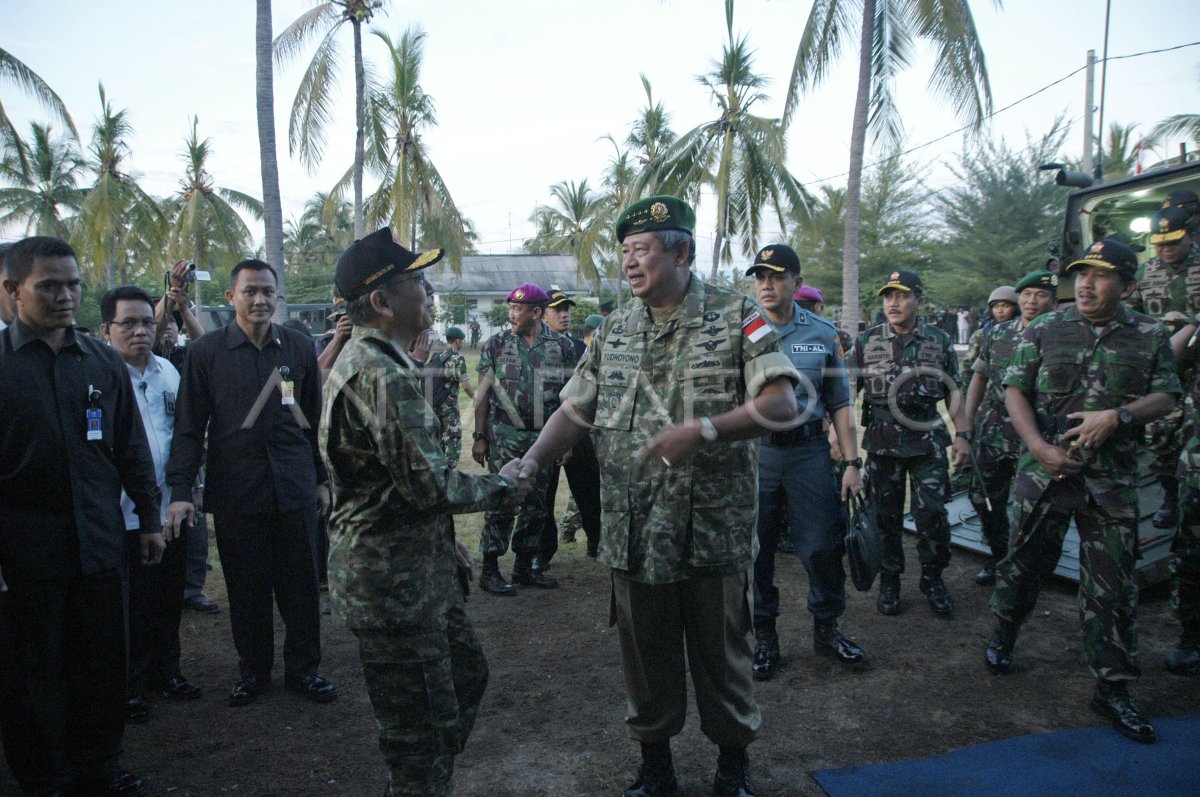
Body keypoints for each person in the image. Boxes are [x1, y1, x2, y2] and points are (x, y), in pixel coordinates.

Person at [517, 196, 800, 797]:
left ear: (682, 252)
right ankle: (656, 771)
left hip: (710, 532)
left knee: (722, 658)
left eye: (641, 250)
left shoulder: (736, 316)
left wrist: (707, 429)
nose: (629, 263)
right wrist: (534, 459)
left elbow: (782, 402)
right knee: (643, 660)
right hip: (633, 530)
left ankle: (732, 770)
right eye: (624, 252)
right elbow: (575, 407)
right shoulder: (614, 328)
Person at [320, 228, 530, 797]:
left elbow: (400, 487)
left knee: (465, 677)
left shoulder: (377, 360)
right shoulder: (379, 371)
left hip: (415, 568)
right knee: (419, 733)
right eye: (416, 281)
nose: (430, 291)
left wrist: (444, 540)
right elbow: (428, 486)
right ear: (383, 303)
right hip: (392, 585)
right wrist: (501, 484)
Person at [985, 238, 1180, 744]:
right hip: (1041, 474)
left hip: (1110, 480)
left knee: (1114, 585)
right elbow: (1014, 390)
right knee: (1024, 565)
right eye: (1081, 274)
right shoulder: (1048, 327)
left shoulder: (1149, 333)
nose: (1086, 284)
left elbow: (1166, 394)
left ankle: (1113, 686)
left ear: (1128, 285)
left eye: (1100, 275)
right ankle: (1005, 631)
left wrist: (1118, 416)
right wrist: (1037, 447)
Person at [0, 236, 164, 797]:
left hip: (98, 543)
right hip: (25, 552)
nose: (66, 296)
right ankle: (44, 778)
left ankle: (99, 766)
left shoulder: (101, 362)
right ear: (11, 291)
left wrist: (149, 518)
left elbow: (132, 448)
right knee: (32, 674)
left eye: (72, 284)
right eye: (49, 286)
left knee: (101, 665)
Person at [165, 258, 336, 707]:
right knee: (247, 590)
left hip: (295, 489)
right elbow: (188, 427)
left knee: (301, 588)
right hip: (238, 492)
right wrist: (182, 491)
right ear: (230, 298)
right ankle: (254, 672)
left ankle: (304, 671)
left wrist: (319, 479)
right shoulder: (206, 355)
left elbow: (311, 421)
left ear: (277, 298)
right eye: (249, 292)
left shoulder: (298, 348)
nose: (259, 300)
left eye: (267, 292)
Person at [745, 244, 866, 681]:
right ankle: (764, 638)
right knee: (755, 550)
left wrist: (852, 461)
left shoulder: (821, 332)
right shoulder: (745, 331)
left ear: (797, 282)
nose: (766, 284)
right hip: (758, 454)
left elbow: (840, 402)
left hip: (809, 453)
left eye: (776, 276)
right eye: (760, 276)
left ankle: (827, 628)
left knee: (822, 546)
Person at [100, 286, 203, 725]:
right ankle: (130, 685)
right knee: (130, 604)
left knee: (166, 596)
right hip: (122, 513)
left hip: (170, 508)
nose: (140, 331)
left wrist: (188, 489)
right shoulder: (101, 377)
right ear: (107, 330)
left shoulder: (167, 372)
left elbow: (184, 434)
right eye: (129, 323)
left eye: (146, 322)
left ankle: (168, 671)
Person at [853, 270, 970, 617]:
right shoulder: (867, 341)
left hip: (927, 443)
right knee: (886, 517)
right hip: (882, 443)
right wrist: (836, 432)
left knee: (932, 514)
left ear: (919, 300)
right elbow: (846, 392)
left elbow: (954, 394)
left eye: (902, 296)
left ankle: (933, 577)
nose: (894, 302)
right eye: (888, 296)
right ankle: (890, 578)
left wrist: (963, 435)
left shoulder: (940, 340)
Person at [471, 283, 576, 594]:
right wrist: (479, 437)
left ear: (536, 312)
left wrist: (566, 441)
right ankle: (490, 569)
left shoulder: (562, 346)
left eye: (517, 309)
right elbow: (483, 394)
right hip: (504, 436)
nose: (511, 314)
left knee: (537, 504)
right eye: (510, 308)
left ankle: (523, 566)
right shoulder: (496, 344)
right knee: (501, 501)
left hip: (545, 437)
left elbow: (570, 398)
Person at [963, 271, 1058, 586]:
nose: (1032, 301)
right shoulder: (999, 333)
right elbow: (980, 376)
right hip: (994, 428)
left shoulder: (1063, 335)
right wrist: (967, 422)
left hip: (1037, 432)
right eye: (1026, 294)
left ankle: (1025, 568)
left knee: (1029, 504)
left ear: (1053, 299)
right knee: (983, 496)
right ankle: (997, 554)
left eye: (1040, 295)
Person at [1129, 204, 1200, 529]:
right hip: (1163, 370)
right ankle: (1170, 498)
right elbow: (1130, 315)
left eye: (1173, 242)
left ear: (1190, 235)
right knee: (1160, 435)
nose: (1166, 249)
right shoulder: (1146, 273)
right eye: (1160, 243)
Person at [541, 290, 602, 559]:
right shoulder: (536, 350)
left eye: (567, 309)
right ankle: (542, 553)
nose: (564, 314)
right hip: (549, 431)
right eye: (558, 309)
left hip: (578, 432)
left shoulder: (580, 348)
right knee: (544, 496)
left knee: (589, 491)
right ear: (542, 314)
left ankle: (596, 542)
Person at [430, 325, 474, 468]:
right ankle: (450, 468)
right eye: (462, 340)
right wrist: (475, 398)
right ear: (456, 341)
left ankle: (438, 464)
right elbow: (466, 386)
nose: (462, 342)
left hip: (435, 402)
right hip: (449, 405)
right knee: (453, 436)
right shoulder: (458, 359)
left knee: (439, 435)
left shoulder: (437, 356)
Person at [964, 286, 1018, 370]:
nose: (1000, 311)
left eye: (1005, 306)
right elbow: (969, 367)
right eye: (996, 306)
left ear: (1015, 308)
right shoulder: (980, 335)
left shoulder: (1026, 332)